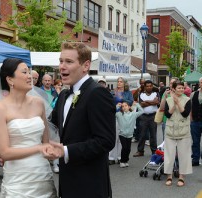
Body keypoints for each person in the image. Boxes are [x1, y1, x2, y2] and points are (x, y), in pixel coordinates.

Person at [45, 42, 116, 197]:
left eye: (69, 62)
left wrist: (65, 151)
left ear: (86, 66)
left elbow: (106, 141)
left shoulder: (98, 93)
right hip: (67, 182)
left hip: (90, 185)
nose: (62, 66)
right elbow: (48, 126)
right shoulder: (63, 95)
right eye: (61, 61)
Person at [0, 59, 57, 197]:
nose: (29, 76)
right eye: (24, 72)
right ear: (10, 80)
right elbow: (4, 153)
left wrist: (54, 150)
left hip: (42, 175)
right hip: (18, 179)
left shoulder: (38, 103)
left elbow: (46, 143)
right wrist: (38, 148)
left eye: (29, 71)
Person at [164, 80, 192, 187]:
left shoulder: (187, 99)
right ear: (174, 88)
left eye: (182, 88)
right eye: (179, 88)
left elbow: (185, 114)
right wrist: (173, 103)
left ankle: (182, 177)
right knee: (169, 155)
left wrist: (178, 103)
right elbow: (167, 114)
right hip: (170, 131)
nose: (181, 90)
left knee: (184, 155)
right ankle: (169, 176)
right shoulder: (168, 99)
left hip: (183, 131)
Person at [109, 77, 133, 165]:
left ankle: (120, 157)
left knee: (121, 137)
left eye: (121, 81)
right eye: (118, 81)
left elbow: (131, 102)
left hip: (124, 116)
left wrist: (123, 101)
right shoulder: (113, 92)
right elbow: (109, 102)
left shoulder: (128, 93)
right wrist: (115, 105)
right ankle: (111, 157)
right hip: (115, 115)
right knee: (114, 136)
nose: (119, 83)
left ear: (124, 83)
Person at [133, 80, 159, 157]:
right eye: (147, 86)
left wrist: (146, 102)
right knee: (142, 134)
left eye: (150, 86)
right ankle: (140, 151)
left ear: (152, 86)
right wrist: (152, 102)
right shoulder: (141, 94)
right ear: (144, 87)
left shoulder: (156, 93)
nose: (149, 87)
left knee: (153, 135)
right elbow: (141, 104)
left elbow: (157, 102)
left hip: (153, 116)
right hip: (143, 116)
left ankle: (154, 151)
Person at [116, 101, 143, 168]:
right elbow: (111, 113)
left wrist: (136, 104)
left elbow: (142, 111)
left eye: (126, 105)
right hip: (122, 134)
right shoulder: (119, 114)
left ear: (129, 107)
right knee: (124, 148)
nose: (124, 107)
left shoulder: (133, 114)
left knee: (128, 149)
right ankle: (122, 161)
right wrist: (117, 106)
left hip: (130, 134)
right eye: (122, 106)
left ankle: (126, 161)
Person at [190, 77, 202, 166]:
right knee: (195, 141)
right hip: (195, 121)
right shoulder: (193, 94)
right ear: (199, 83)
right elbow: (190, 107)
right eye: (201, 82)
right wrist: (191, 119)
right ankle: (195, 158)